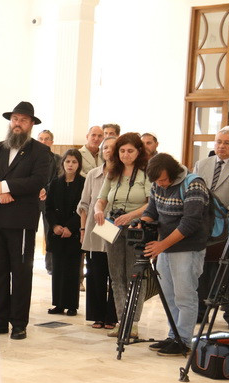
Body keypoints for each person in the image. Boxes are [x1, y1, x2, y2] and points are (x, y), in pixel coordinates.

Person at [0, 101, 50, 340]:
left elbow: (38, 180)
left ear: (31, 124)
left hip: (21, 221)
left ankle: (18, 322)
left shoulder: (40, 151)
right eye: (15, 119)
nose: (18, 124)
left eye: (23, 120)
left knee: (20, 273)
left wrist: (5, 187)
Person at [140, 153, 209, 356]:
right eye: (156, 181)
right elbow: (152, 211)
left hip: (188, 248)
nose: (160, 184)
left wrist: (162, 245)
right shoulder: (157, 183)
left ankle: (184, 340)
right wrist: (142, 223)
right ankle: (173, 336)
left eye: (163, 180)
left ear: (173, 173)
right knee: (169, 295)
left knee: (185, 296)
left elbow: (190, 223)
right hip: (165, 248)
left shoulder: (193, 184)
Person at [93, 132, 151, 338]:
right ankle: (121, 320)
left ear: (139, 152)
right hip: (113, 225)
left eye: (130, 151)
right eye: (122, 151)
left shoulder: (145, 173)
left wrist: (131, 215)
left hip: (136, 227)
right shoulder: (113, 172)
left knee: (134, 275)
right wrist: (98, 210)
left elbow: (151, 203)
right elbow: (101, 199)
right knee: (116, 275)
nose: (126, 155)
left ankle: (133, 322)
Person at [78, 136, 118, 329]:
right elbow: (84, 204)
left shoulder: (124, 174)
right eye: (105, 147)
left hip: (115, 227)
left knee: (114, 274)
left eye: (113, 147)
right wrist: (82, 229)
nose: (108, 151)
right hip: (95, 228)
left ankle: (112, 316)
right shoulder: (93, 174)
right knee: (95, 273)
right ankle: (97, 315)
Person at [194, 126, 229, 322]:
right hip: (202, 223)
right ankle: (200, 311)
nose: (221, 146)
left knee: (224, 268)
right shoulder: (202, 164)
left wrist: (223, 213)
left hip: (227, 224)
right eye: (219, 142)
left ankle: (226, 309)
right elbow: (193, 189)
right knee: (202, 267)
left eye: (227, 143)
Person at [46, 149, 85, 316]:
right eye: (68, 161)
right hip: (57, 232)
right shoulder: (55, 183)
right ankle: (58, 304)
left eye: (74, 162)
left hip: (73, 233)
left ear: (79, 164)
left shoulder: (83, 183)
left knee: (72, 270)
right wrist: (55, 225)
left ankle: (72, 305)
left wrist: (70, 227)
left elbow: (83, 209)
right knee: (58, 269)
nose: (70, 165)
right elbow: (48, 208)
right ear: (62, 163)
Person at [38, 129, 62, 275]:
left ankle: (50, 265)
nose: (43, 141)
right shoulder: (30, 158)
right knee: (28, 230)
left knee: (50, 231)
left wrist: (45, 190)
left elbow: (58, 178)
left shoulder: (58, 159)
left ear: (52, 142)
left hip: (49, 199)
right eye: (41, 139)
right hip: (32, 199)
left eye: (47, 139)